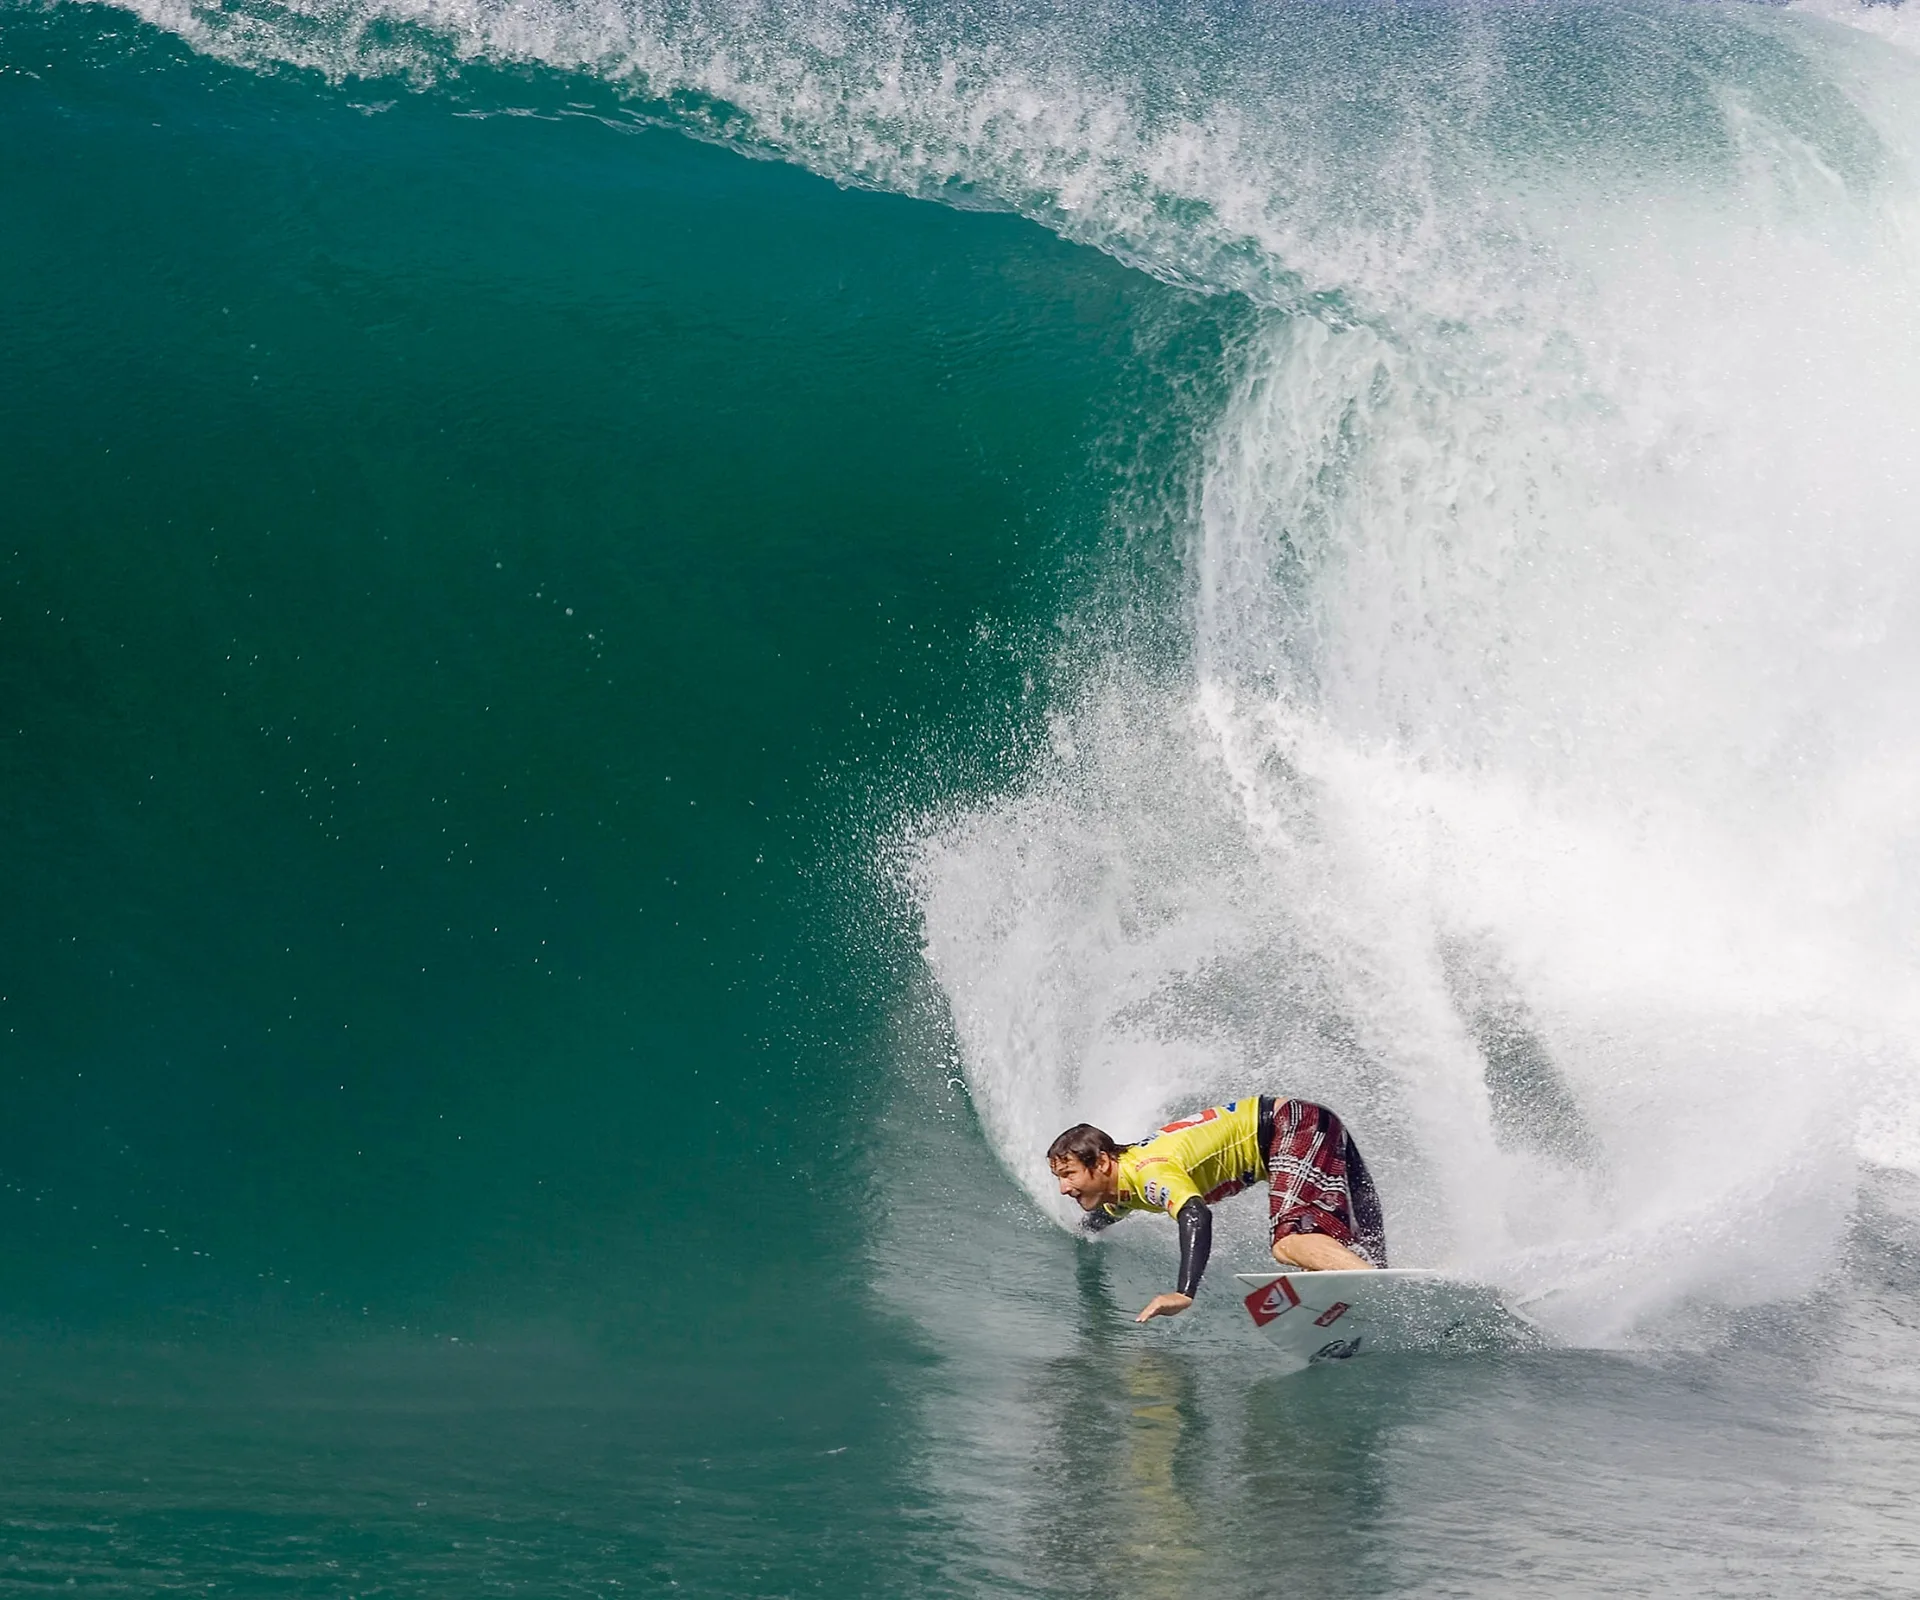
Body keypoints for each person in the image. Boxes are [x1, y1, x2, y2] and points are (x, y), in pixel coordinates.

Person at [1047, 1096, 1387, 1323]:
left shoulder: (1149, 1171)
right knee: (1338, 1253)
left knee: (1289, 1243)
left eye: (1069, 1174)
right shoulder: (1120, 1188)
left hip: (1293, 1125)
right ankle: (1376, 1298)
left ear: (1102, 1162)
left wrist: (1184, 1292)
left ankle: (1385, 1294)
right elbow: (1108, 1212)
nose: (1064, 1188)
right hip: (1306, 1123)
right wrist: (1082, 1232)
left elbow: (1194, 1213)